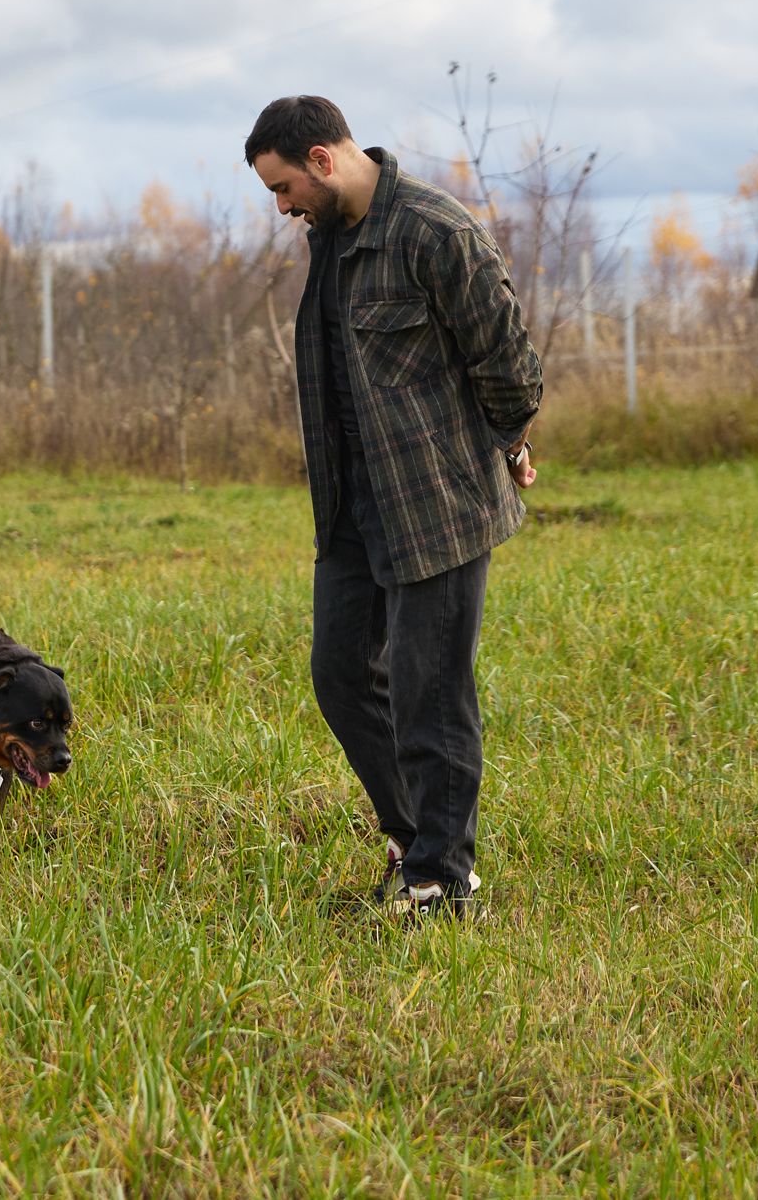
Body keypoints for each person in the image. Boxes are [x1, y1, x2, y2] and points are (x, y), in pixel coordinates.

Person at [244, 95, 542, 922]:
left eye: (283, 187)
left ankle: (443, 880)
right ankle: (415, 838)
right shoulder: (330, 237)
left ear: (323, 159)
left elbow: (510, 359)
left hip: (436, 500)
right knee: (340, 672)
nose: (281, 208)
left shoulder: (434, 233)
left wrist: (510, 440)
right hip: (351, 502)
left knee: (429, 691)